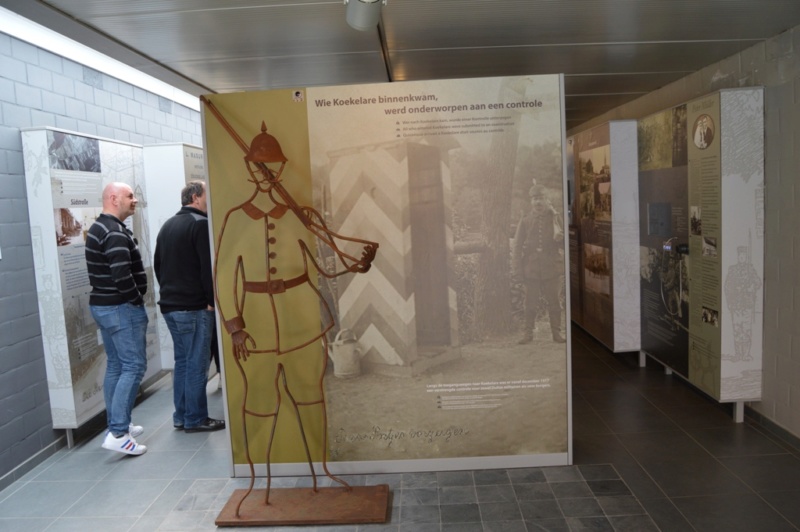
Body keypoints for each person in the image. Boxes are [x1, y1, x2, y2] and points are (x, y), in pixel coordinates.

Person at [154, 181, 225, 433]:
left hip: (170, 307)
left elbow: (158, 266)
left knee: (183, 362)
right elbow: (208, 269)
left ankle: (181, 416)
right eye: (207, 194)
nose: (210, 200)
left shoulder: (168, 225)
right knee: (197, 363)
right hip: (195, 308)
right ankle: (196, 418)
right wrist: (209, 301)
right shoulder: (200, 224)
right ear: (196, 197)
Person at [86, 182, 149, 456]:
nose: (134, 200)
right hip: (120, 307)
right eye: (129, 196)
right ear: (113, 198)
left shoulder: (101, 227)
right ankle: (119, 433)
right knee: (133, 366)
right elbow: (122, 275)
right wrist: (135, 299)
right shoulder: (112, 232)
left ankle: (116, 424)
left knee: (116, 366)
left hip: (104, 306)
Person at [513, 184, 566, 344]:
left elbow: (566, 245)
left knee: (555, 303)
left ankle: (557, 334)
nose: (538, 202)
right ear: (531, 202)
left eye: (541, 198)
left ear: (546, 199)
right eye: (535, 199)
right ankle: (528, 334)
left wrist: (561, 239)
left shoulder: (556, 218)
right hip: (532, 268)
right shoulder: (526, 220)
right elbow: (517, 246)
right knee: (530, 304)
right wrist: (518, 270)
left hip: (552, 268)